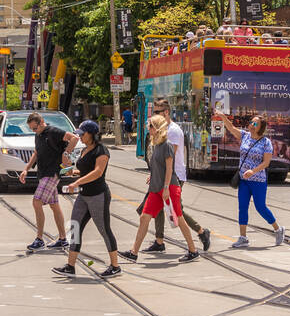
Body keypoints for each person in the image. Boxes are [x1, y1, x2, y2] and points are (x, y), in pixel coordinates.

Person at [120, 115, 200, 263]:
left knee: (179, 218)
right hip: (155, 188)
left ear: (156, 128)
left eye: (150, 126)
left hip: (168, 187)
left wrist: (166, 188)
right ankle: (133, 252)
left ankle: (193, 250)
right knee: (144, 217)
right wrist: (153, 176)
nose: (147, 128)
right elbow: (158, 166)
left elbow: (169, 169)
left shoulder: (167, 145)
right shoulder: (156, 144)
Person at [138, 100, 212, 253]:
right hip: (162, 176)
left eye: (157, 112)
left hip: (174, 175)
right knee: (159, 209)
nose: (154, 116)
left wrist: (162, 179)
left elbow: (169, 158)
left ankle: (201, 231)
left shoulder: (173, 131)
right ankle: (159, 241)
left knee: (177, 211)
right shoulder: (160, 131)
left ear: (166, 112)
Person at [52, 120, 121, 279]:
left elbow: (97, 172)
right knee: (74, 227)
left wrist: (76, 182)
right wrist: (72, 173)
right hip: (84, 196)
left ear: (92, 134)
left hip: (98, 195)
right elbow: (84, 170)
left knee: (104, 229)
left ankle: (115, 266)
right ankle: (70, 266)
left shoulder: (101, 150)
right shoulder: (84, 150)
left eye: (83, 134)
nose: (80, 137)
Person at [216, 110, 285, 248]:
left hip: (258, 180)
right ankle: (243, 237)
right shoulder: (245, 136)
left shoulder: (266, 143)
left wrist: (252, 171)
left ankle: (278, 229)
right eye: (251, 122)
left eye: (255, 123)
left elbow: (266, 163)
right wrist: (223, 117)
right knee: (242, 207)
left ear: (261, 127)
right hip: (244, 180)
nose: (251, 125)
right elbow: (231, 128)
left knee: (260, 207)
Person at [19, 112, 77, 253]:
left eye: (35, 128)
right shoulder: (38, 135)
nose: (34, 131)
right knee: (54, 205)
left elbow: (74, 138)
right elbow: (37, 153)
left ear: (41, 122)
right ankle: (63, 239)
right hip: (43, 173)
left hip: (52, 173)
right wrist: (26, 169)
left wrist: (66, 153)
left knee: (36, 201)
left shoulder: (53, 131)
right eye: (32, 129)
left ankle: (39, 239)